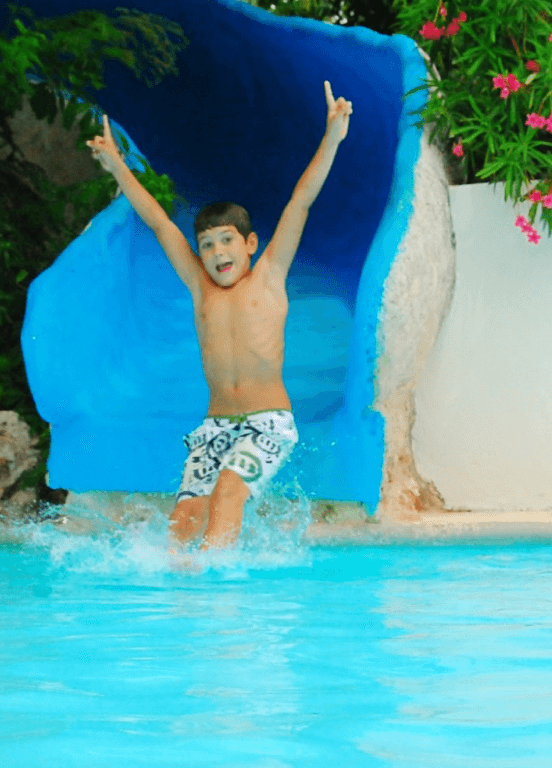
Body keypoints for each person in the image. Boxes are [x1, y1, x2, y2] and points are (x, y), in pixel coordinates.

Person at [86, 81, 352, 548]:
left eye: (227, 240)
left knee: (229, 493)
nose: (217, 252)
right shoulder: (199, 287)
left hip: (267, 423)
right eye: (206, 245)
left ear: (250, 245)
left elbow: (300, 201)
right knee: (184, 519)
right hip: (215, 426)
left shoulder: (269, 276)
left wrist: (331, 137)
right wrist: (117, 168)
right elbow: (159, 223)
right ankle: (184, 594)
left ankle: (220, 599)